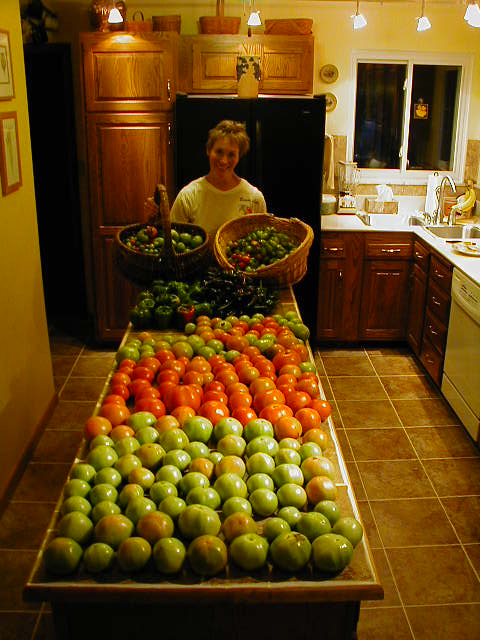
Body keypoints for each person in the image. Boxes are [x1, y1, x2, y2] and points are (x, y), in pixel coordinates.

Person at [170, 120, 267, 239]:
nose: (224, 160)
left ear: (239, 157)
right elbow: (173, 242)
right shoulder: (188, 196)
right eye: (219, 151)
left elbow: (260, 245)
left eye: (231, 154)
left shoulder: (255, 198)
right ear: (208, 151)